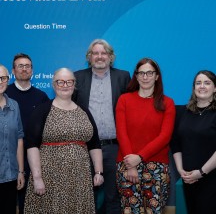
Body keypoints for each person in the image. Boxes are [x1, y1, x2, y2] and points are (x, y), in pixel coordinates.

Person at [24, 68, 104, 214]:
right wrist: (37, 177)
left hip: (80, 179)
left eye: (69, 81)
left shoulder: (84, 111)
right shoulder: (42, 111)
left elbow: (94, 144)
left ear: (74, 84)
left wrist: (99, 172)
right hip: (49, 178)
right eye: (60, 82)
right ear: (54, 85)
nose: (65, 85)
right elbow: (32, 145)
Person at [73, 39, 131, 214]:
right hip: (85, 147)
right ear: (89, 57)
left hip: (114, 147)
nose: (99, 57)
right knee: (86, 196)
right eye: (95, 53)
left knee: (113, 196)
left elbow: (130, 109)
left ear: (110, 57)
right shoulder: (78, 77)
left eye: (103, 53)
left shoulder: (123, 77)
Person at [115, 58, 176, 214]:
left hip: (156, 166)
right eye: (141, 73)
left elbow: (165, 137)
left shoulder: (167, 103)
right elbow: (121, 133)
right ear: (136, 76)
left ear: (156, 76)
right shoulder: (124, 100)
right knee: (130, 210)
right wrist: (131, 164)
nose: (145, 77)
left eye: (149, 73)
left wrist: (140, 157)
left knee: (153, 211)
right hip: (127, 166)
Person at [6, 53, 49, 214]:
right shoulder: (5, 95)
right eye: (20, 66)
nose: (24, 69)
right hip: (8, 156)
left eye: (27, 66)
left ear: (32, 70)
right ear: (13, 71)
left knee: (30, 204)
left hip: (34, 156)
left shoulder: (42, 97)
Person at [171, 70, 216, 214]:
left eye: (207, 83)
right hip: (189, 179)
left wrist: (202, 172)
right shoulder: (183, 112)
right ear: (194, 87)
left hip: (211, 178)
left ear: (215, 88)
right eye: (198, 83)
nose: (202, 86)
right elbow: (175, 142)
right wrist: (180, 170)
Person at [0, 64, 25, 214]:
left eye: (3, 78)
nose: (0, 82)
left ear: (8, 80)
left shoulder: (14, 106)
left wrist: (20, 171)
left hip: (10, 176)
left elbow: (19, 139)